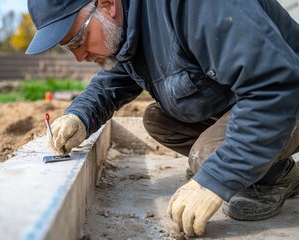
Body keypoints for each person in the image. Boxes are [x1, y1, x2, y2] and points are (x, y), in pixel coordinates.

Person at [26, 0, 299, 237]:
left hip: (286, 99)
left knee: (207, 156)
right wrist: (80, 115)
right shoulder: (133, 22)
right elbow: (115, 80)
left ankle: (275, 177)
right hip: (249, 97)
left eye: (77, 40)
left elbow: (274, 86)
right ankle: (265, 164)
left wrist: (219, 177)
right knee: (158, 121)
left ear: (107, 4)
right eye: (68, 47)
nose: (78, 56)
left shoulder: (192, 6)